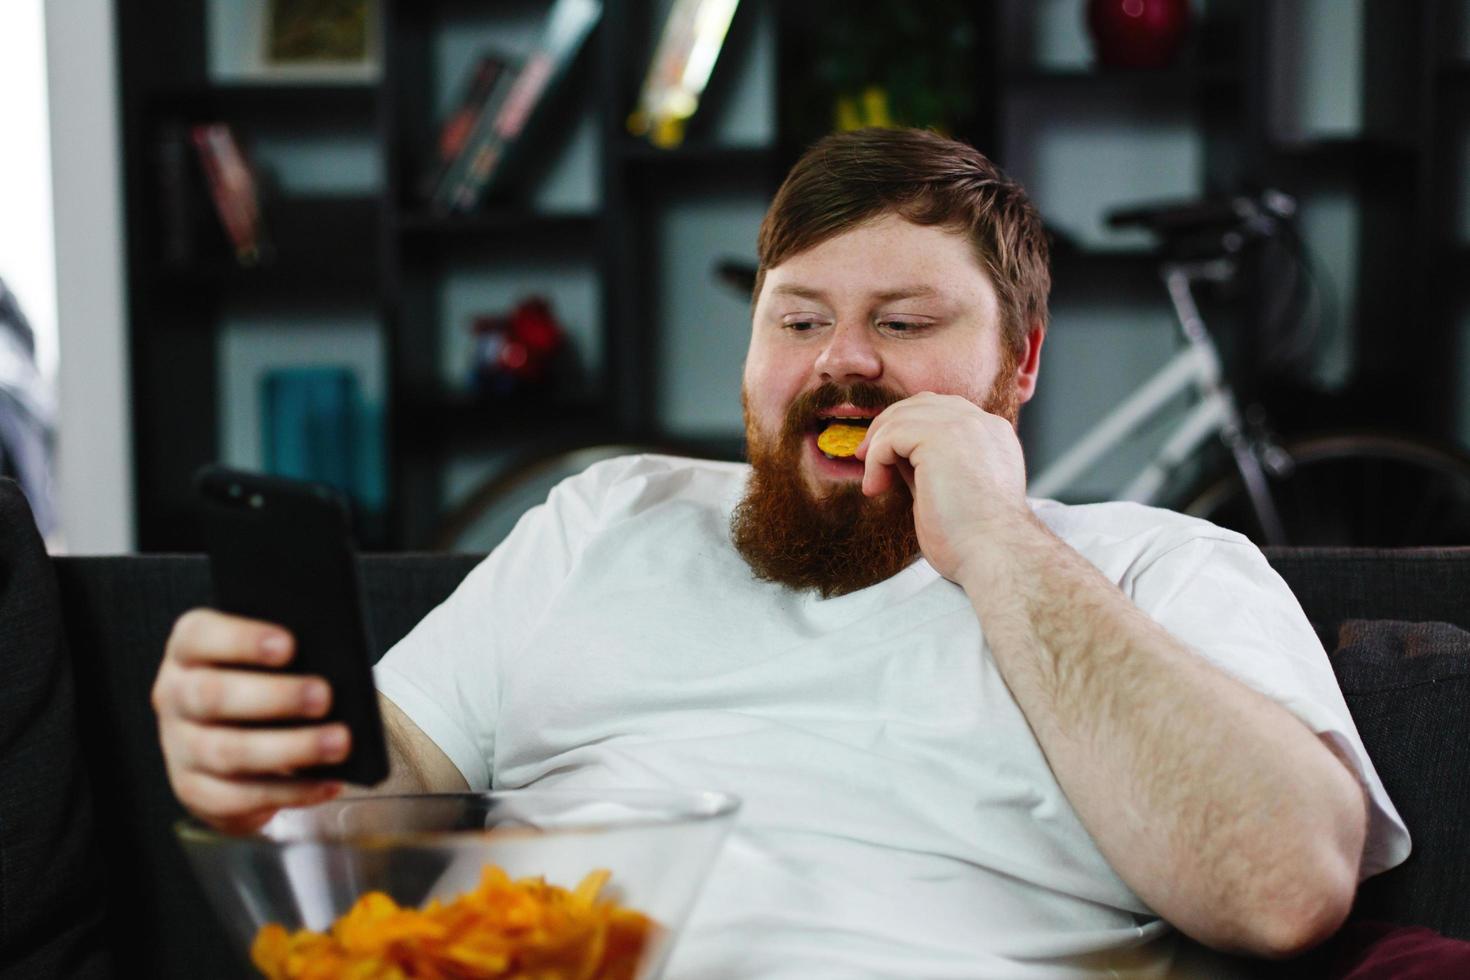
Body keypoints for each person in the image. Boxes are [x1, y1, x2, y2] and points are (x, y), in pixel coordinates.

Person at [152, 128, 1407, 977]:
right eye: (798, 318)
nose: (842, 358)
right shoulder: (606, 517)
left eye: (904, 321)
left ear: (1017, 366)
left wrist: (993, 544)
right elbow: (383, 794)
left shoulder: (1156, 570)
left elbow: (1282, 885)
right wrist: (262, 757)